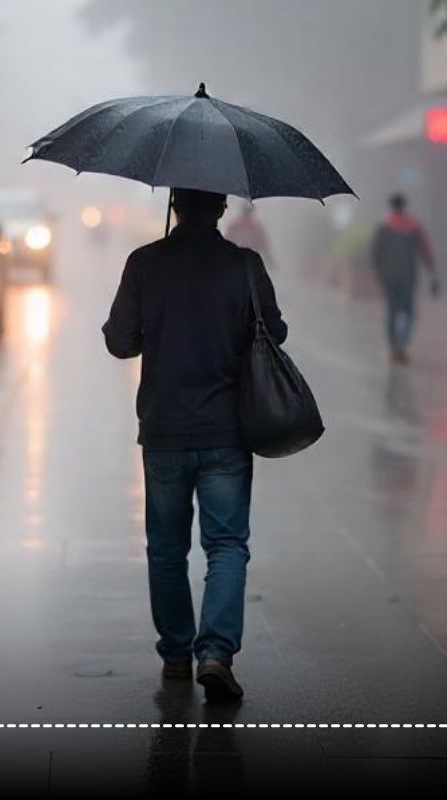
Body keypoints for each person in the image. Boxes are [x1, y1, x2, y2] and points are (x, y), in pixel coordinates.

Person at [102, 187, 287, 702]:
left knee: (166, 549)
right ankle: (216, 653)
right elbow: (275, 332)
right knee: (226, 545)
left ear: (174, 205)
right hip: (227, 430)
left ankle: (177, 653)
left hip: (163, 430)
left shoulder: (145, 263)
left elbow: (121, 342)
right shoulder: (245, 266)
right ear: (222, 207)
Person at [371, 193, 439, 365]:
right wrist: (432, 271)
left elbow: (376, 254)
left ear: (392, 206)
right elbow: (425, 250)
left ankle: (394, 348)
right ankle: (402, 344)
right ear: (404, 206)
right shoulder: (414, 227)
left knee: (392, 313)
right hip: (408, 276)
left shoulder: (384, 227)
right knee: (408, 314)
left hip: (389, 277)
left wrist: (378, 273)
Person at [225, 203, 273, 269]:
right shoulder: (255, 227)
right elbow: (263, 245)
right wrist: (269, 260)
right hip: (250, 257)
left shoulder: (235, 225)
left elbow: (228, 240)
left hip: (237, 256)